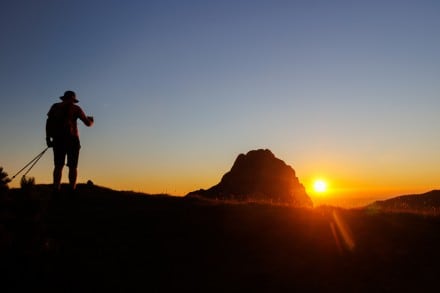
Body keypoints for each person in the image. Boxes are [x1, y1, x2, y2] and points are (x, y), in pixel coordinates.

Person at [46, 90, 94, 192]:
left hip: (58, 140)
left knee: (58, 166)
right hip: (72, 140)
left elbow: (48, 122)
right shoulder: (76, 108)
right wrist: (91, 121)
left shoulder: (55, 106)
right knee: (73, 166)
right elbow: (87, 123)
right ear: (73, 99)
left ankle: (56, 188)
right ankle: (72, 189)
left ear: (64, 98)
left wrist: (48, 138)